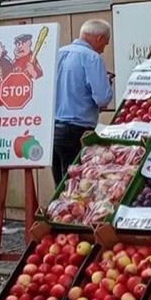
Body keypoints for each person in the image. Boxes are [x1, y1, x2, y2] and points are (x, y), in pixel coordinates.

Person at [53, 19, 113, 184]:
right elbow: (102, 98)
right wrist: (107, 83)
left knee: (60, 185)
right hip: (76, 131)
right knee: (76, 186)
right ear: (99, 38)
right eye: (105, 44)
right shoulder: (92, 58)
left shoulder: (57, 53)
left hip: (52, 130)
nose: (103, 50)